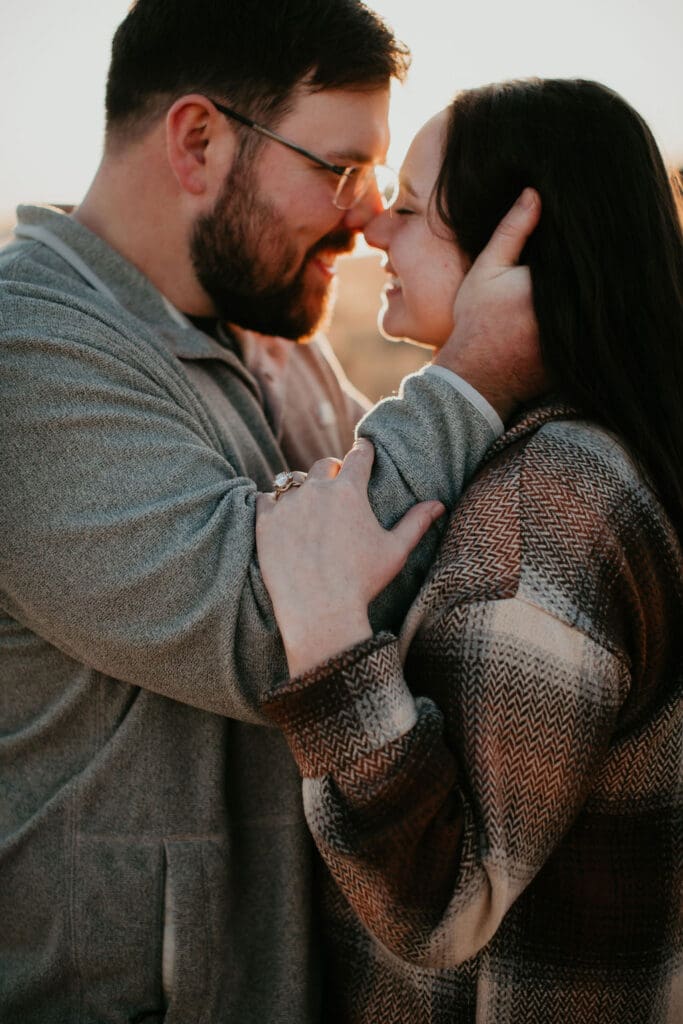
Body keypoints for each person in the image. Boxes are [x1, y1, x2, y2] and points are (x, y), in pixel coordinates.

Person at [0, 2, 543, 1020]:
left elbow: (405, 565)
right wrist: (471, 377)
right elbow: (285, 631)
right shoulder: (25, 356)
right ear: (198, 142)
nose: (366, 214)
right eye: (339, 169)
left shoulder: (275, 340)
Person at [256, 79, 683, 1022]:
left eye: (409, 210)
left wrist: (326, 635)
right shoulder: (594, 455)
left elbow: (440, 906)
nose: (373, 231)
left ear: (516, 247)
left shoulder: (550, 503)